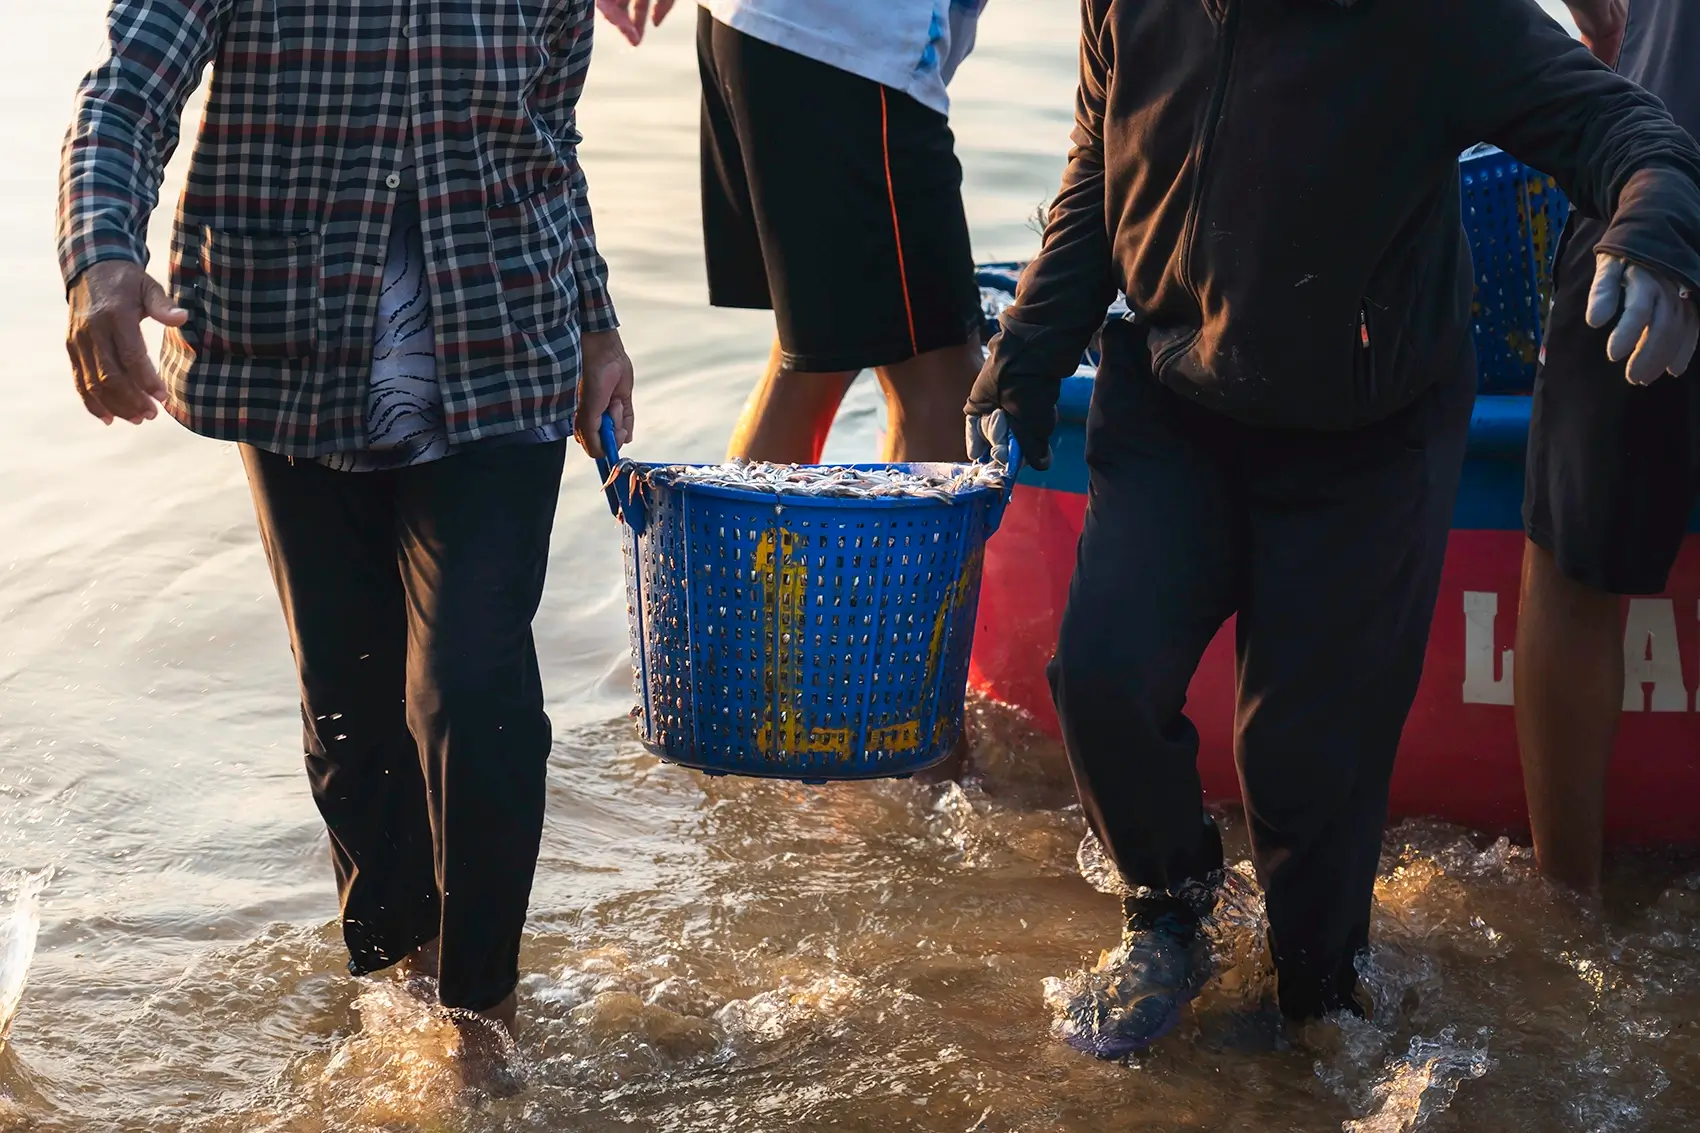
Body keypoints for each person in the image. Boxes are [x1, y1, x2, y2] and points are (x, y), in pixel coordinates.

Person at [966, 0, 1700, 1057]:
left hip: (1367, 429)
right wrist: (1032, 341)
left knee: (1304, 766)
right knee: (1099, 676)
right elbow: (1098, 159)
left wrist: (1652, 235)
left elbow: (1630, 134)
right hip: (1175, 392)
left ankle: (1317, 1002)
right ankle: (1168, 912)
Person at [59, 0, 634, 1082]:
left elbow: (547, 136)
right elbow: (128, 95)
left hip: (505, 342)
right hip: (290, 352)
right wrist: (100, 256)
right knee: (350, 707)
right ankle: (394, 990)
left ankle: (479, 1032)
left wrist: (595, 319)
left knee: (475, 690)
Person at [601, 0, 988, 464]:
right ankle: (749, 536)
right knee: (940, 380)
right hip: (848, 49)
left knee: (817, 356)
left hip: (775, 30)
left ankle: (740, 537)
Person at [1516, 0, 1700, 897]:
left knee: (1575, 562)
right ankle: (1566, 904)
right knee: (1576, 555)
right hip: (1643, 183)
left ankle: (1565, 910)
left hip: (1646, 182)